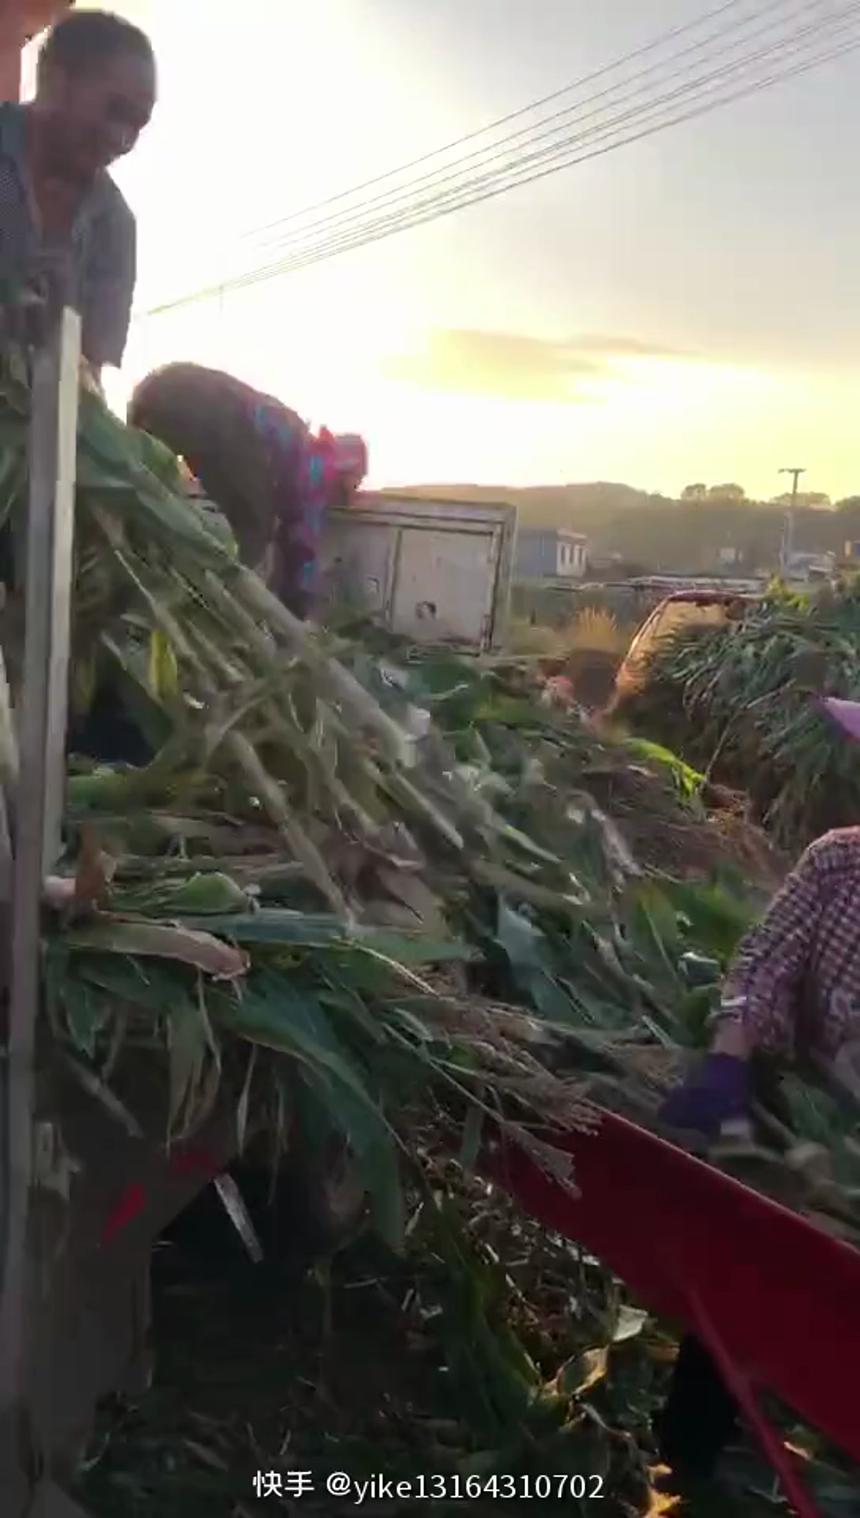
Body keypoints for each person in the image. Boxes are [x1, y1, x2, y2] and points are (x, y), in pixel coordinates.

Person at [127, 362, 368, 618]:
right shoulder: (316, 467)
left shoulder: (290, 435)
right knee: (252, 531)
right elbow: (302, 549)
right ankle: (208, 610)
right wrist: (295, 615)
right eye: (353, 483)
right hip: (204, 405)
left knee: (145, 489)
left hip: (161, 388)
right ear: (344, 469)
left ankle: (151, 589)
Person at [0, 8, 156, 375]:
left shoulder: (114, 226)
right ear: (55, 80)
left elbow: (86, 379)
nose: (121, 139)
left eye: (136, 124)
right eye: (113, 110)